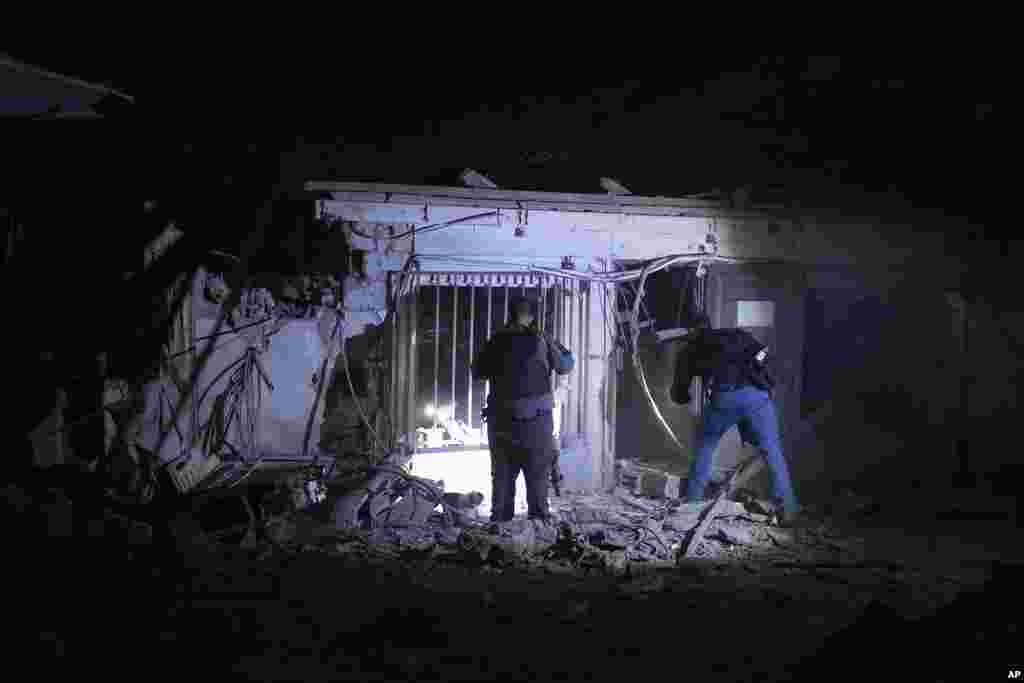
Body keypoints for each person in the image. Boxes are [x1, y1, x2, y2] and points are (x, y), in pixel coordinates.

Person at [669, 313, 803, 526]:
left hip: (724, 398)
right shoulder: (737, 334)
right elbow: (765, 358)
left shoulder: (690, 350)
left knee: (705, 447)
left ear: (688, 332)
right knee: (772, 450)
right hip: (757, 397)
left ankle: (692, 504)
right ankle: (789, 510)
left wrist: (687, 389)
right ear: (709, 325)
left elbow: (679, 395)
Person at [472, 294, 574, 523]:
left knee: (502, 480)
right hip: (536, 423)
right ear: (533, 316)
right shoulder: (542, 338)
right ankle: (538, 533)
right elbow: (565, 366)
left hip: (501, 423)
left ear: (511, 314)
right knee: (538, 479)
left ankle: (499, 530)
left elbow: (477, 371)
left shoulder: (496, 340)